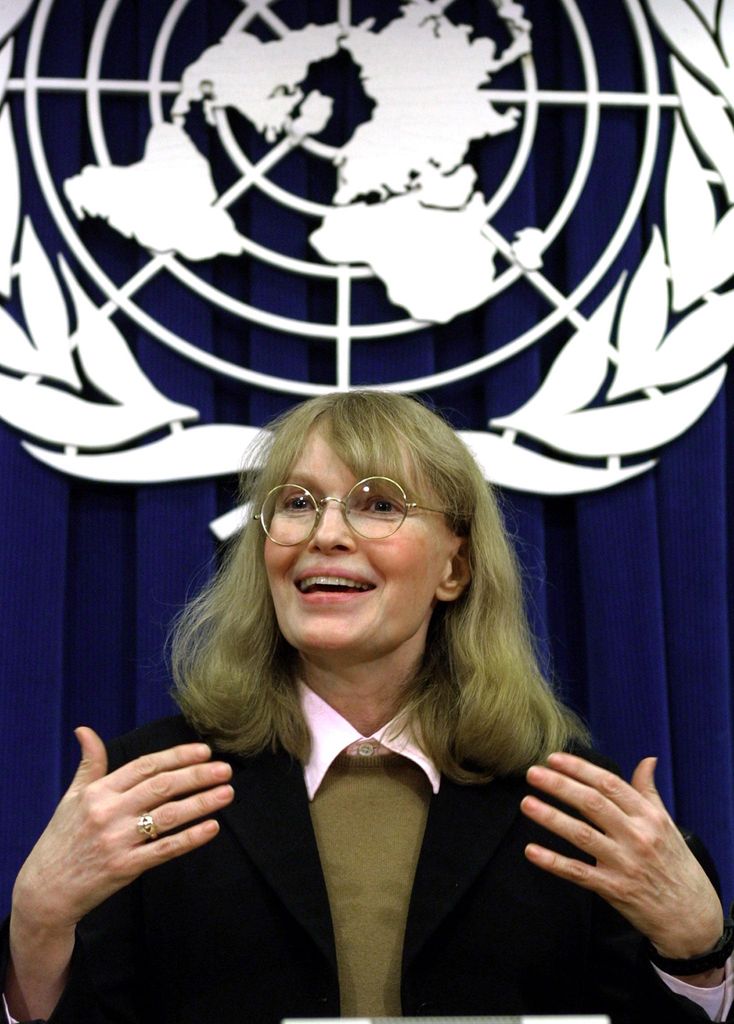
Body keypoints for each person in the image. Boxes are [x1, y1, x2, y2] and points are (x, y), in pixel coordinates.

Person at [2, 390, 732, 1023]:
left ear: (456, 566)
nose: (325, 534)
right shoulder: (153, 789)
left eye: (377, 503)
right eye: (295, 504)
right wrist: (35, 928)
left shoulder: (569, 803)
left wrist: (699, 958)